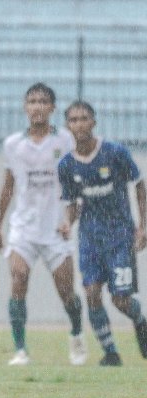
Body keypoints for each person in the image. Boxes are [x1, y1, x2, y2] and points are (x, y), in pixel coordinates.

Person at [0, 83, 86, 365]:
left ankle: (77, 334)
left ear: (52, 108)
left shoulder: (65, 141)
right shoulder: (13, 144)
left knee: (67, 292)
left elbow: (75, 187)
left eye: (43, 101)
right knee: (19, 278)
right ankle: (20, 349)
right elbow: (8, 186)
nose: (37, 106)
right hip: (23, 227)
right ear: (25, 107)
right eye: (32, 101)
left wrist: (70, 219)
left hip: (56, 228)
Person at [57, 100, 147, 366]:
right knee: (91, 293)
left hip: (120, 237)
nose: (79, 124)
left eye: (84, 118)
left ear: (93, 122)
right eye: (73, 120)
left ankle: (140, 321)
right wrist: (67, 223)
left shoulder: (115, 153)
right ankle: (110, 352)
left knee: (121, 300)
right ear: (67, 126)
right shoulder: (66, 165)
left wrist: (143, 226)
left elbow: (139, 185)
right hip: (89, 239)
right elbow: (72, 204)